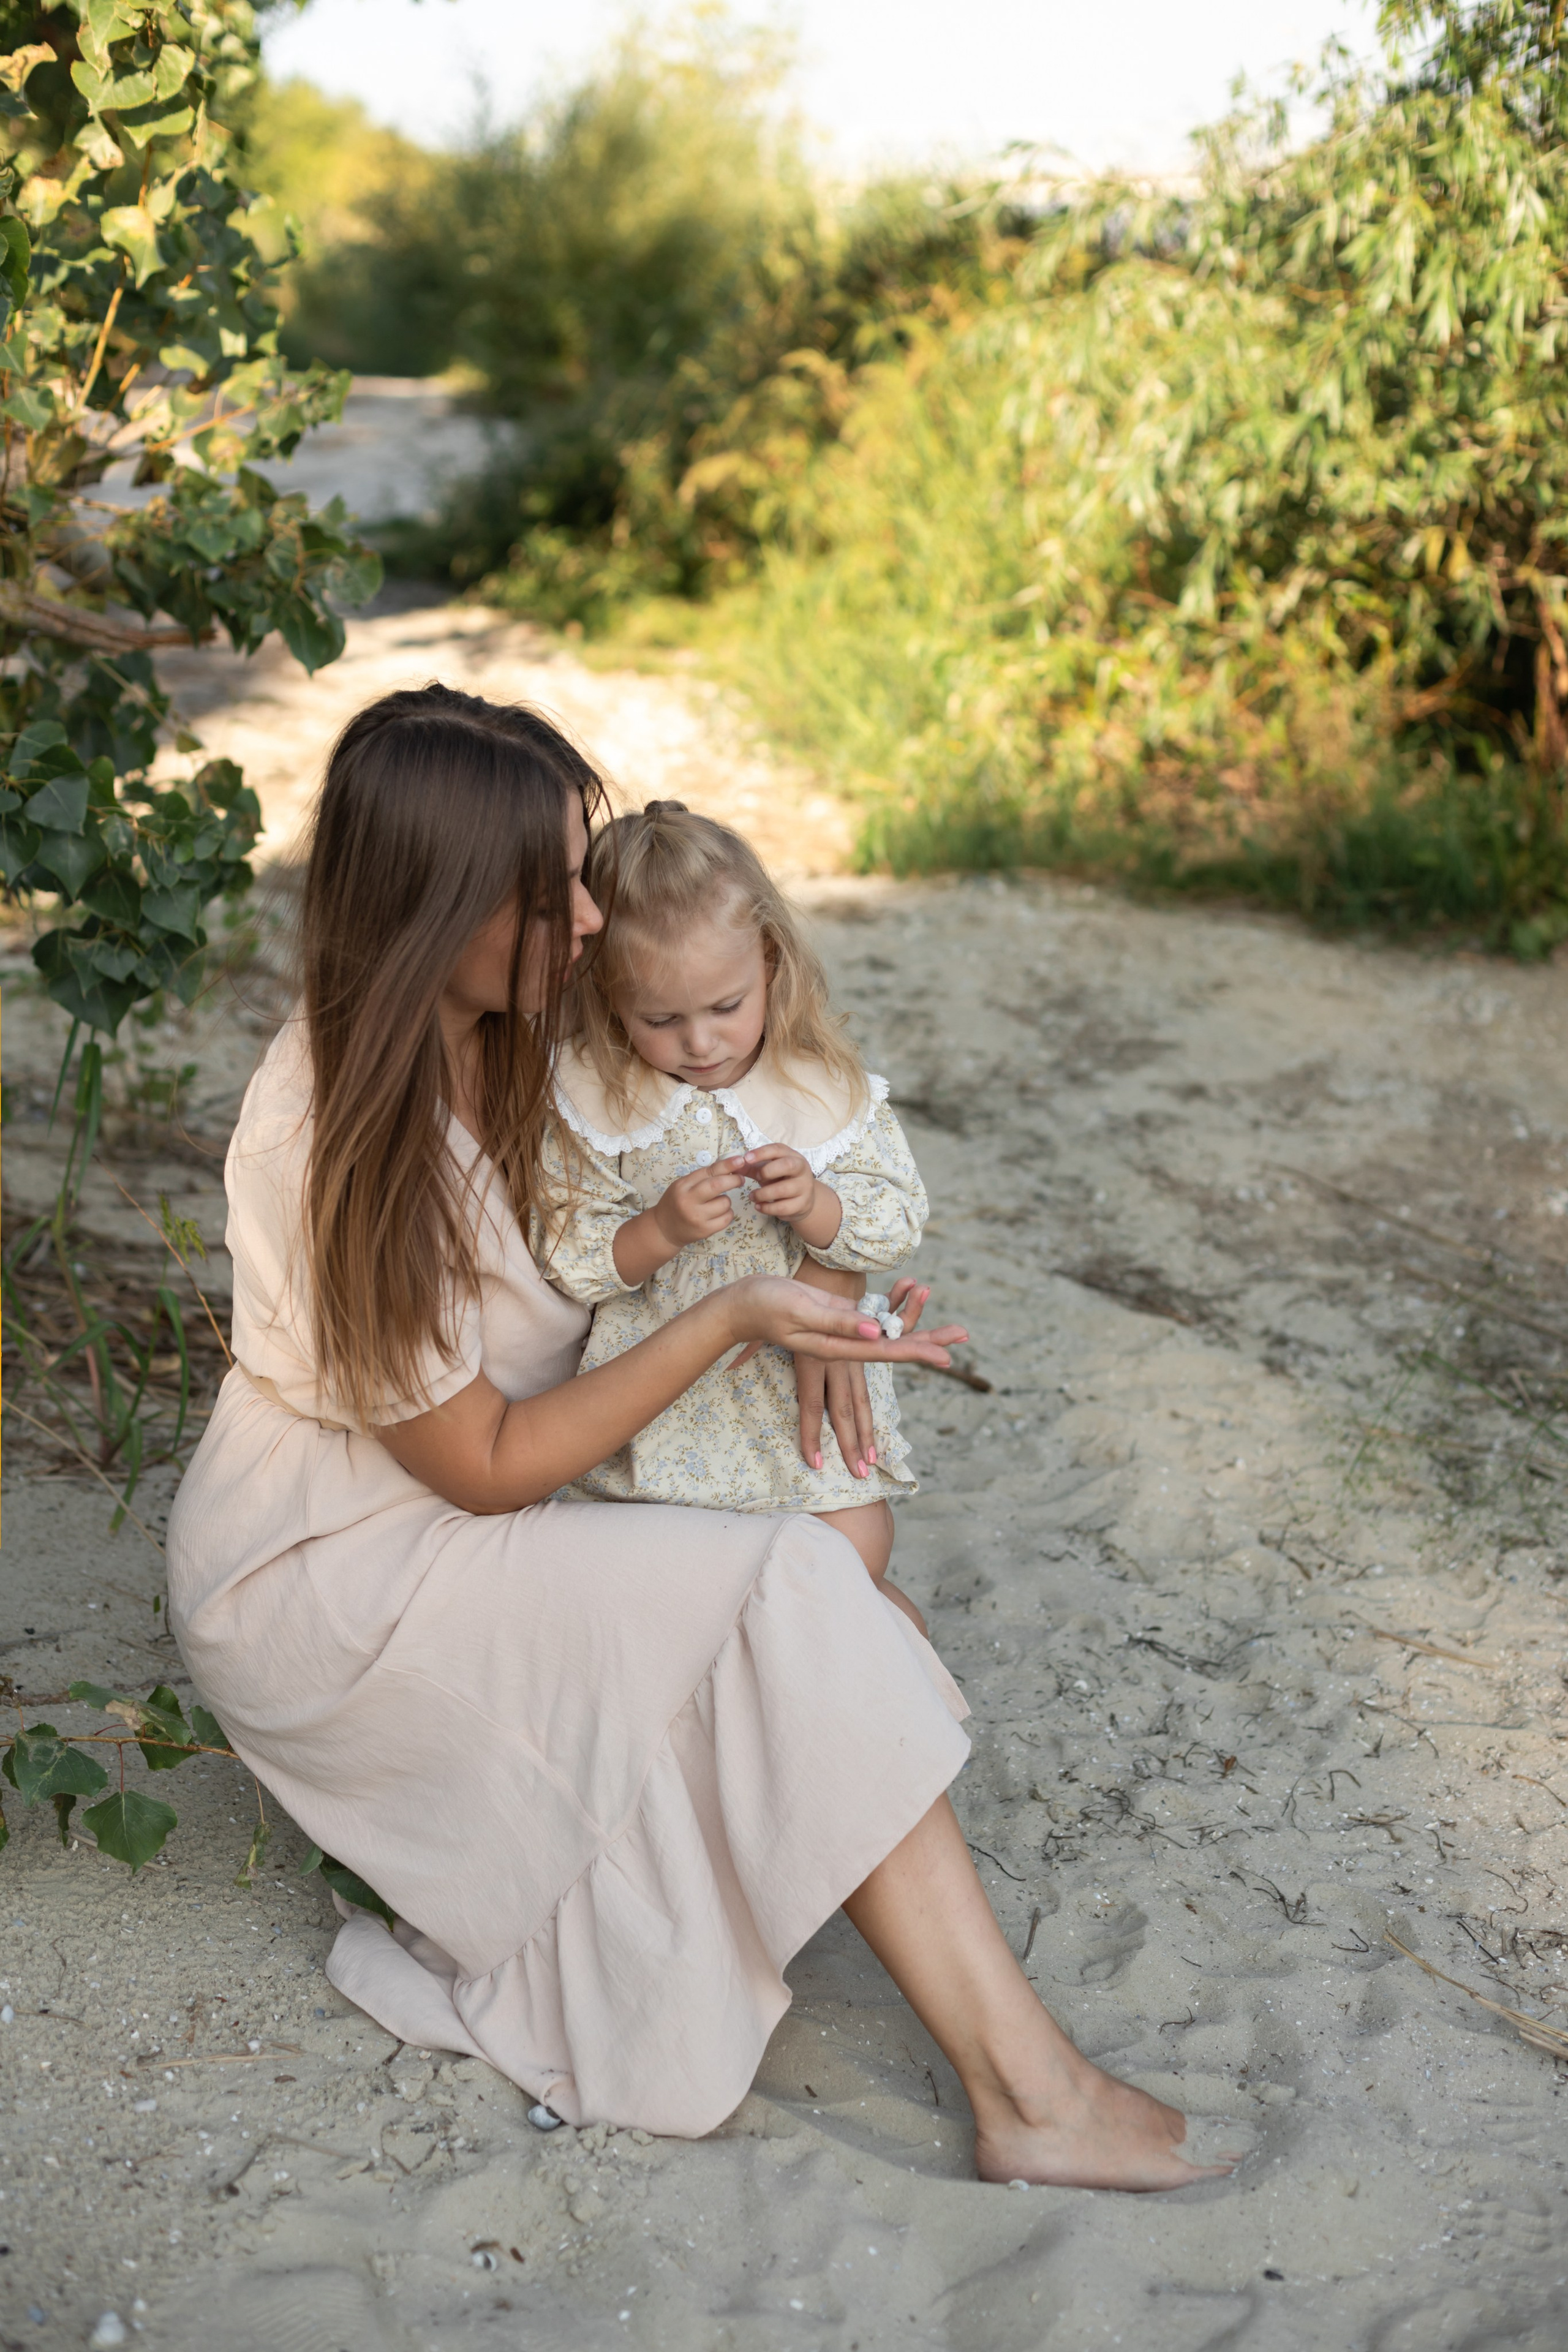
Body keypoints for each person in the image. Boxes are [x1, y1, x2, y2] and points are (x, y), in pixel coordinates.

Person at [166, 682, 1229, 2189]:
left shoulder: (525, 1020)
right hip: (345, 1568)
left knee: (855, 1605)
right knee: (806, 1601)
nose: (590, 924)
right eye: (553, 897)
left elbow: (736, 1104)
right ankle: (1030, 2094)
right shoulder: (326, 1132)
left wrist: (829, 1284)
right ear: (445, 906)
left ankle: (1003, 2070)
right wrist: (726, 1329)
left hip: (509, 1490)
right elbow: (476, 1470)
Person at [537, 799, 929, 1629]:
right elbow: (572, 1255)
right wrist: (661, 1231)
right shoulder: (595, 1099)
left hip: (790, 1409)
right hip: (666, 1404)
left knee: (857, 1547)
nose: (703, 1043)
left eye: (726, 1006)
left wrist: (819, 1208)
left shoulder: (817, 1085)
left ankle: (857, 1643)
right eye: (661, 1020)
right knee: (660, 1584)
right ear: (609, 1000)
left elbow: (894, 1217)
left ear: (772, 963)